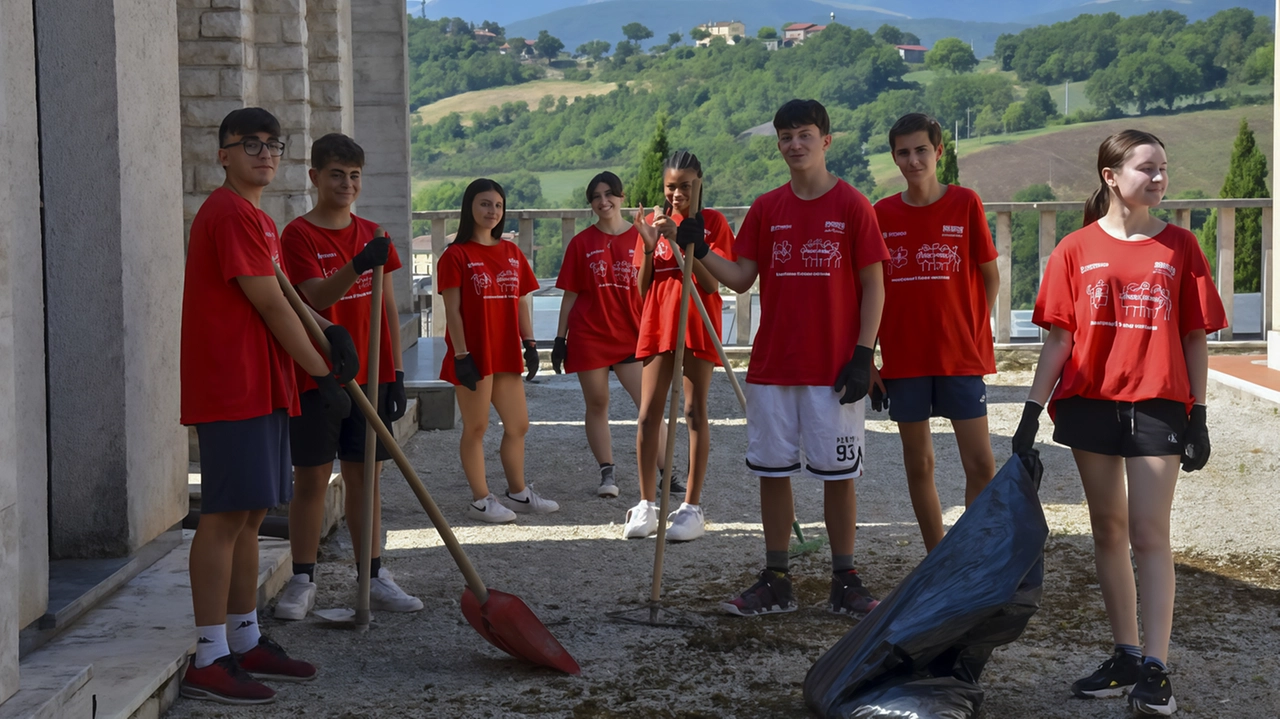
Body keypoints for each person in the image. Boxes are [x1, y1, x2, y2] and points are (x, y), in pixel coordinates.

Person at [1012, 129, 1225, 716]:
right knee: (1108, 531)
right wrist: (1031, 412)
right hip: (1090, 404)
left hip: (1159, 404)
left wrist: (1199, 414)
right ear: (1111, 176)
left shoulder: (1181, 246)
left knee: (1149, 534)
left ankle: (1157, 670)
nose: (1159, 178)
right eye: (1146, 168)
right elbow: (1060, 338)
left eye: (1164, 167)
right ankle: (1126, 654)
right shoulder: (1075, 249)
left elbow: (1194, 337)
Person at [677, 99, 889, 617]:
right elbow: (742, 278)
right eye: (786, 136)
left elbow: (874, 285)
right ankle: (777, 580)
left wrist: (865, 356)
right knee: (772, 472)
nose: (795, 144)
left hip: (834, 368)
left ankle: (846, 580)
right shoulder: (767, 207)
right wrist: (700, 249)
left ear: (825, 141)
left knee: (838, 477)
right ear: (778, 144)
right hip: (773, 365)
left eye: (805, 134)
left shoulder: (852, 205)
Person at [180, 108, 359, 703]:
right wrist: (321, 369)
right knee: (225, 515)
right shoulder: (228, 214)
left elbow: (290, 297)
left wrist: (329, 332)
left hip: (264, 382)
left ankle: (244, 637)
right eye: (247, 143)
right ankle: (209, 656)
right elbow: (269, 306)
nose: (262, 153)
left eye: (271, 144)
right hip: (233, 384)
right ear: (223, 154)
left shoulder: (257, 217)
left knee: (253, 513)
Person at [274, 133, 423, 621]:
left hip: (371, 374)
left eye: (355, 176)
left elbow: (383, 302)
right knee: (313, 477)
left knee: (366, 479)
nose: (346, 184)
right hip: (318, 374)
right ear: (315, 177)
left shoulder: (374, 232)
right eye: (337, 174)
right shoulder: (298, 235)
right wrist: (357, 265)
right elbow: (312, 297)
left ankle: (373, 574)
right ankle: (302, 578)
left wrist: (396, 373)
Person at [872, 113, 999, 552]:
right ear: (894, 158)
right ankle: (937, 556)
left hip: (959, 356)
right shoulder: (880, 214)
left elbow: (989, 276)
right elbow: (868, 291)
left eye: (921, 150)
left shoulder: (965, 203)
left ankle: (977, 553)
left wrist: (977, 331)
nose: (913, 160)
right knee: (918, 463)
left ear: (938, 152)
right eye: (903, 152)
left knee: (980, 463)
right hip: (904, 360)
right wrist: (868, 358)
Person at [625, 151, 735, 542]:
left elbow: (709, 284)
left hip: (697, 322)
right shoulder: (656, 221)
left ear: (699, 184)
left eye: (685, 186)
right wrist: (652, 245)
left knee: (693, 411)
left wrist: (681, 238)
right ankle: (645, 504)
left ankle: (691, 507)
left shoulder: (713, 223)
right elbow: (641, 290)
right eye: (671, 186)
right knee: (647, 414)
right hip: (658, 322)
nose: (677, 194)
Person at [438, 178, 559, 523]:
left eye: (498, 205)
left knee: (518, 425)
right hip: (473, 355)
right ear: (470, 208)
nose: (492, 211)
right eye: (485, 204)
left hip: (505, 352)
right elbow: (453, 310)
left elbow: (521, 301)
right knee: (476, 428)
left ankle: (518, 493)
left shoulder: (512, 253)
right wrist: (461, 355)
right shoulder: (456, 255)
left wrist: (531, 343)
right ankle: (480, 499)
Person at [551, 172, 666, 498]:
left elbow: (658, 285)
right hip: (589, 334)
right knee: (597, 403)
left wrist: (649, 243)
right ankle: (607, 473)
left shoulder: (642, 236)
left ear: (621, 196)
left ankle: (667, 472)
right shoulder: (581, 243)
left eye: (609, 194)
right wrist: (560, 339)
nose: (603, 201)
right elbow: (570, 294)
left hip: (631, 333)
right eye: (596, 197)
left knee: (648, 406)